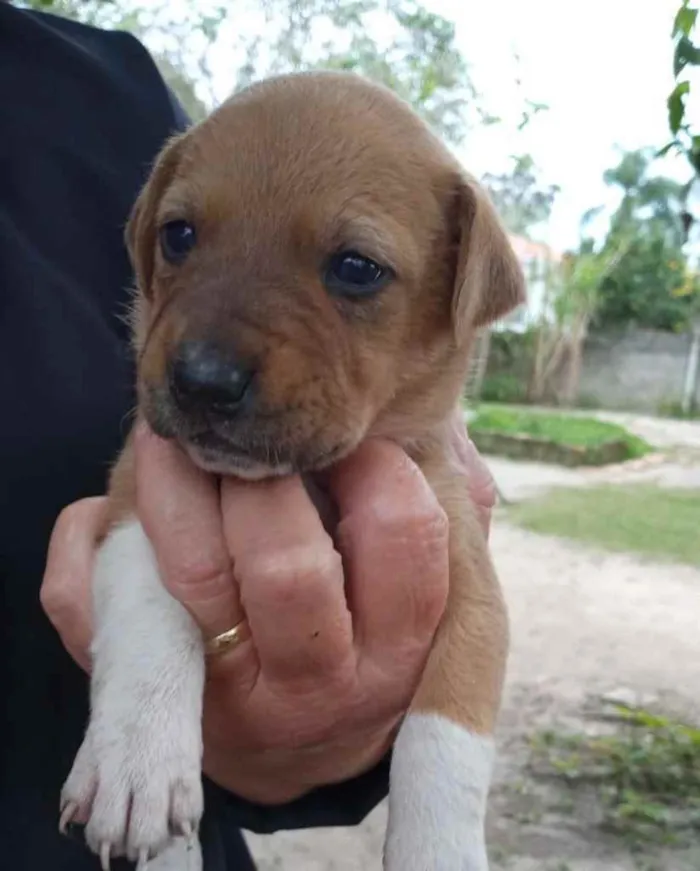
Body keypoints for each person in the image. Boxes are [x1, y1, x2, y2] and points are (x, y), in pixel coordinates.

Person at [0, 3, 497, 869]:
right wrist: (149, 708)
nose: (207, 362)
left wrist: (435, 831)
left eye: (354, 271)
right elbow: (127, 536)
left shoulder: (98, 85)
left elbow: (468, 621)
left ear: (461, 294)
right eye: (183, 239)